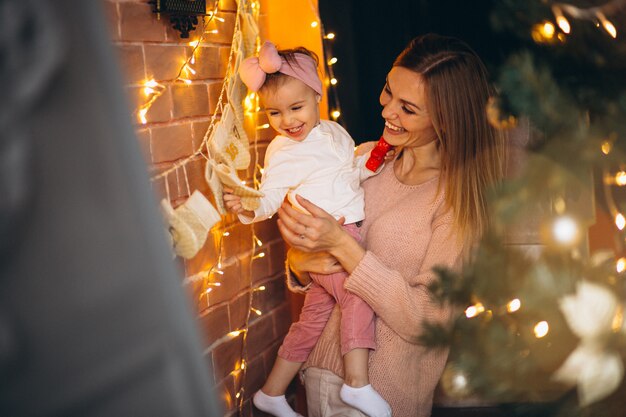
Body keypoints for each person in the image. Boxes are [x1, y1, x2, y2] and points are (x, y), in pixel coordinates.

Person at [276, 33, 506, 417]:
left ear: (446, 120)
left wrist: (345, 249)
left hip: (382, 398)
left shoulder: (457, 202)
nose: (387, 112)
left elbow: (428, 320)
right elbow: (320, 264)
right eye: (388, 91)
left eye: (409, 108)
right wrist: (299, 264)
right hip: (316, 378)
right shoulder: (365, 159)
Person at [223, 41, 392, 417]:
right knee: (359, 296)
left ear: (316, 95)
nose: (287, 121)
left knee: (311, 321)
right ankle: (357, 384)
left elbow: (351, 173)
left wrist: (375, 158)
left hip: (341, 234)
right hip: (331, 238)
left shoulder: (333, 132)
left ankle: (271, 392)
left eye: (296, 108)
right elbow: (267, 199)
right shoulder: (284, 152)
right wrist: (247, 205)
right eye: (274, 113)